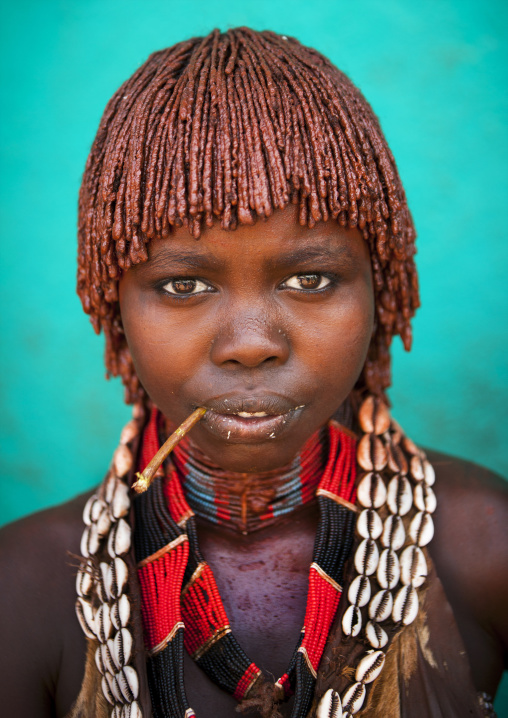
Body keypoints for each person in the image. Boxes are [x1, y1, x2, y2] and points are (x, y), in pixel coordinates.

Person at [0, 27, 506, 718]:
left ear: (381, 291)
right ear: (115, 309)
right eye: (183, 286)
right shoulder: (23, 588)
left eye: (310, 277)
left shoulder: (483, 544)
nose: (250, 345)